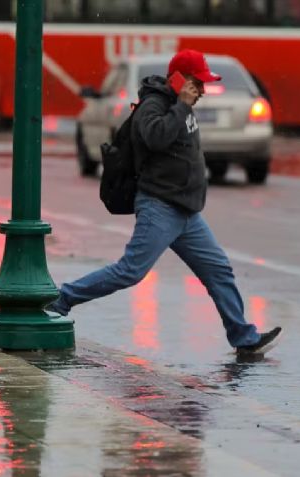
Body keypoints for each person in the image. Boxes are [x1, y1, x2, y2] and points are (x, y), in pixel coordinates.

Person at [47, 49, 282, 356]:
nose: (203, 90)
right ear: (180, 80)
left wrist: (183, 107)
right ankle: (61, 300)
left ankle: (244, 337)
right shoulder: (154, 105)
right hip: (160, 206)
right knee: (130, 271)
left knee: (218, 271)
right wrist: (182, 106)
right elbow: (156, 138)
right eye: (198, 83)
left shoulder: (178, 106)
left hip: (185, 211)